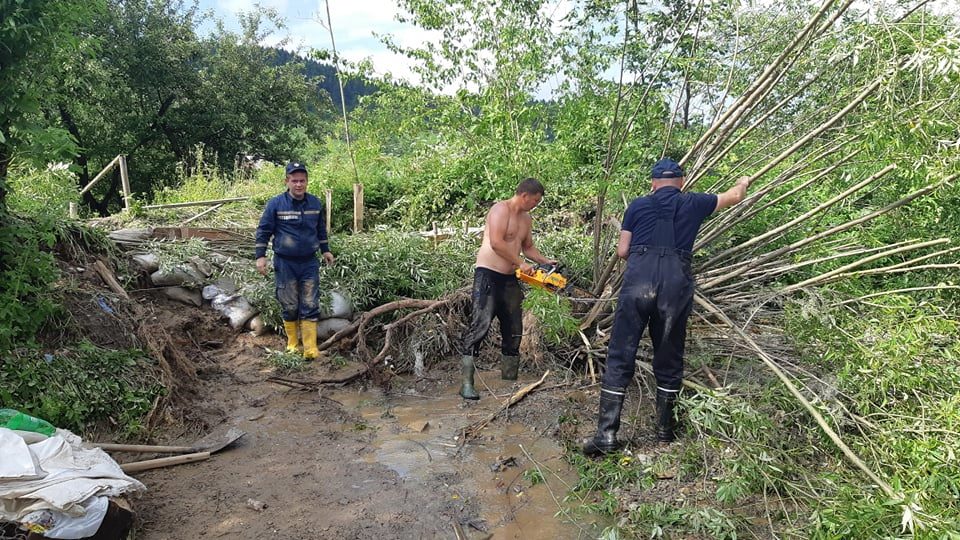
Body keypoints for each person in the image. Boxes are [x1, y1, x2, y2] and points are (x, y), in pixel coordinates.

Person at [583, 158, 749, 455]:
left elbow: (622, 251)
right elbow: (735, 197)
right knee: (669, 353)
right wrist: (743, 181)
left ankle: (606, 436)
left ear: (653, 183)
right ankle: (664, 432)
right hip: (675, 286)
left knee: (621, 353)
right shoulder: (696, 202)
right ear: (682, 182)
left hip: (638, 284)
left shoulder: (637, 206)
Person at [458, 178, 556, 400]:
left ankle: (509, 380)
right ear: (524, 196)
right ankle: (467, 383)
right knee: (480, 326)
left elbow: (528, 246)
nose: (536, 204)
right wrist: (521, 263)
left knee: (514, 328)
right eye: (535, 200)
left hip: (510, 278)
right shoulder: (499, 210)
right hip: (488, 275)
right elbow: (496, 243)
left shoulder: (526, 219)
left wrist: (545, 261)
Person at [255, 161, 335, 360]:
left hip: (309, 262)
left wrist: (326, 250)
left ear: (307, 182)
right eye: (295, 181)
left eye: (302, 181)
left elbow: (320, 230)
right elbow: (264, 231)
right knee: (289, 303)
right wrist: (260, 256)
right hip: (285, 263)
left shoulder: (315, 203)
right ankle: (292, 344)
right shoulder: (275, 204)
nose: (299, 184)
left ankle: (310, 349)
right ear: (287, 181)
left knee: (310, 302)